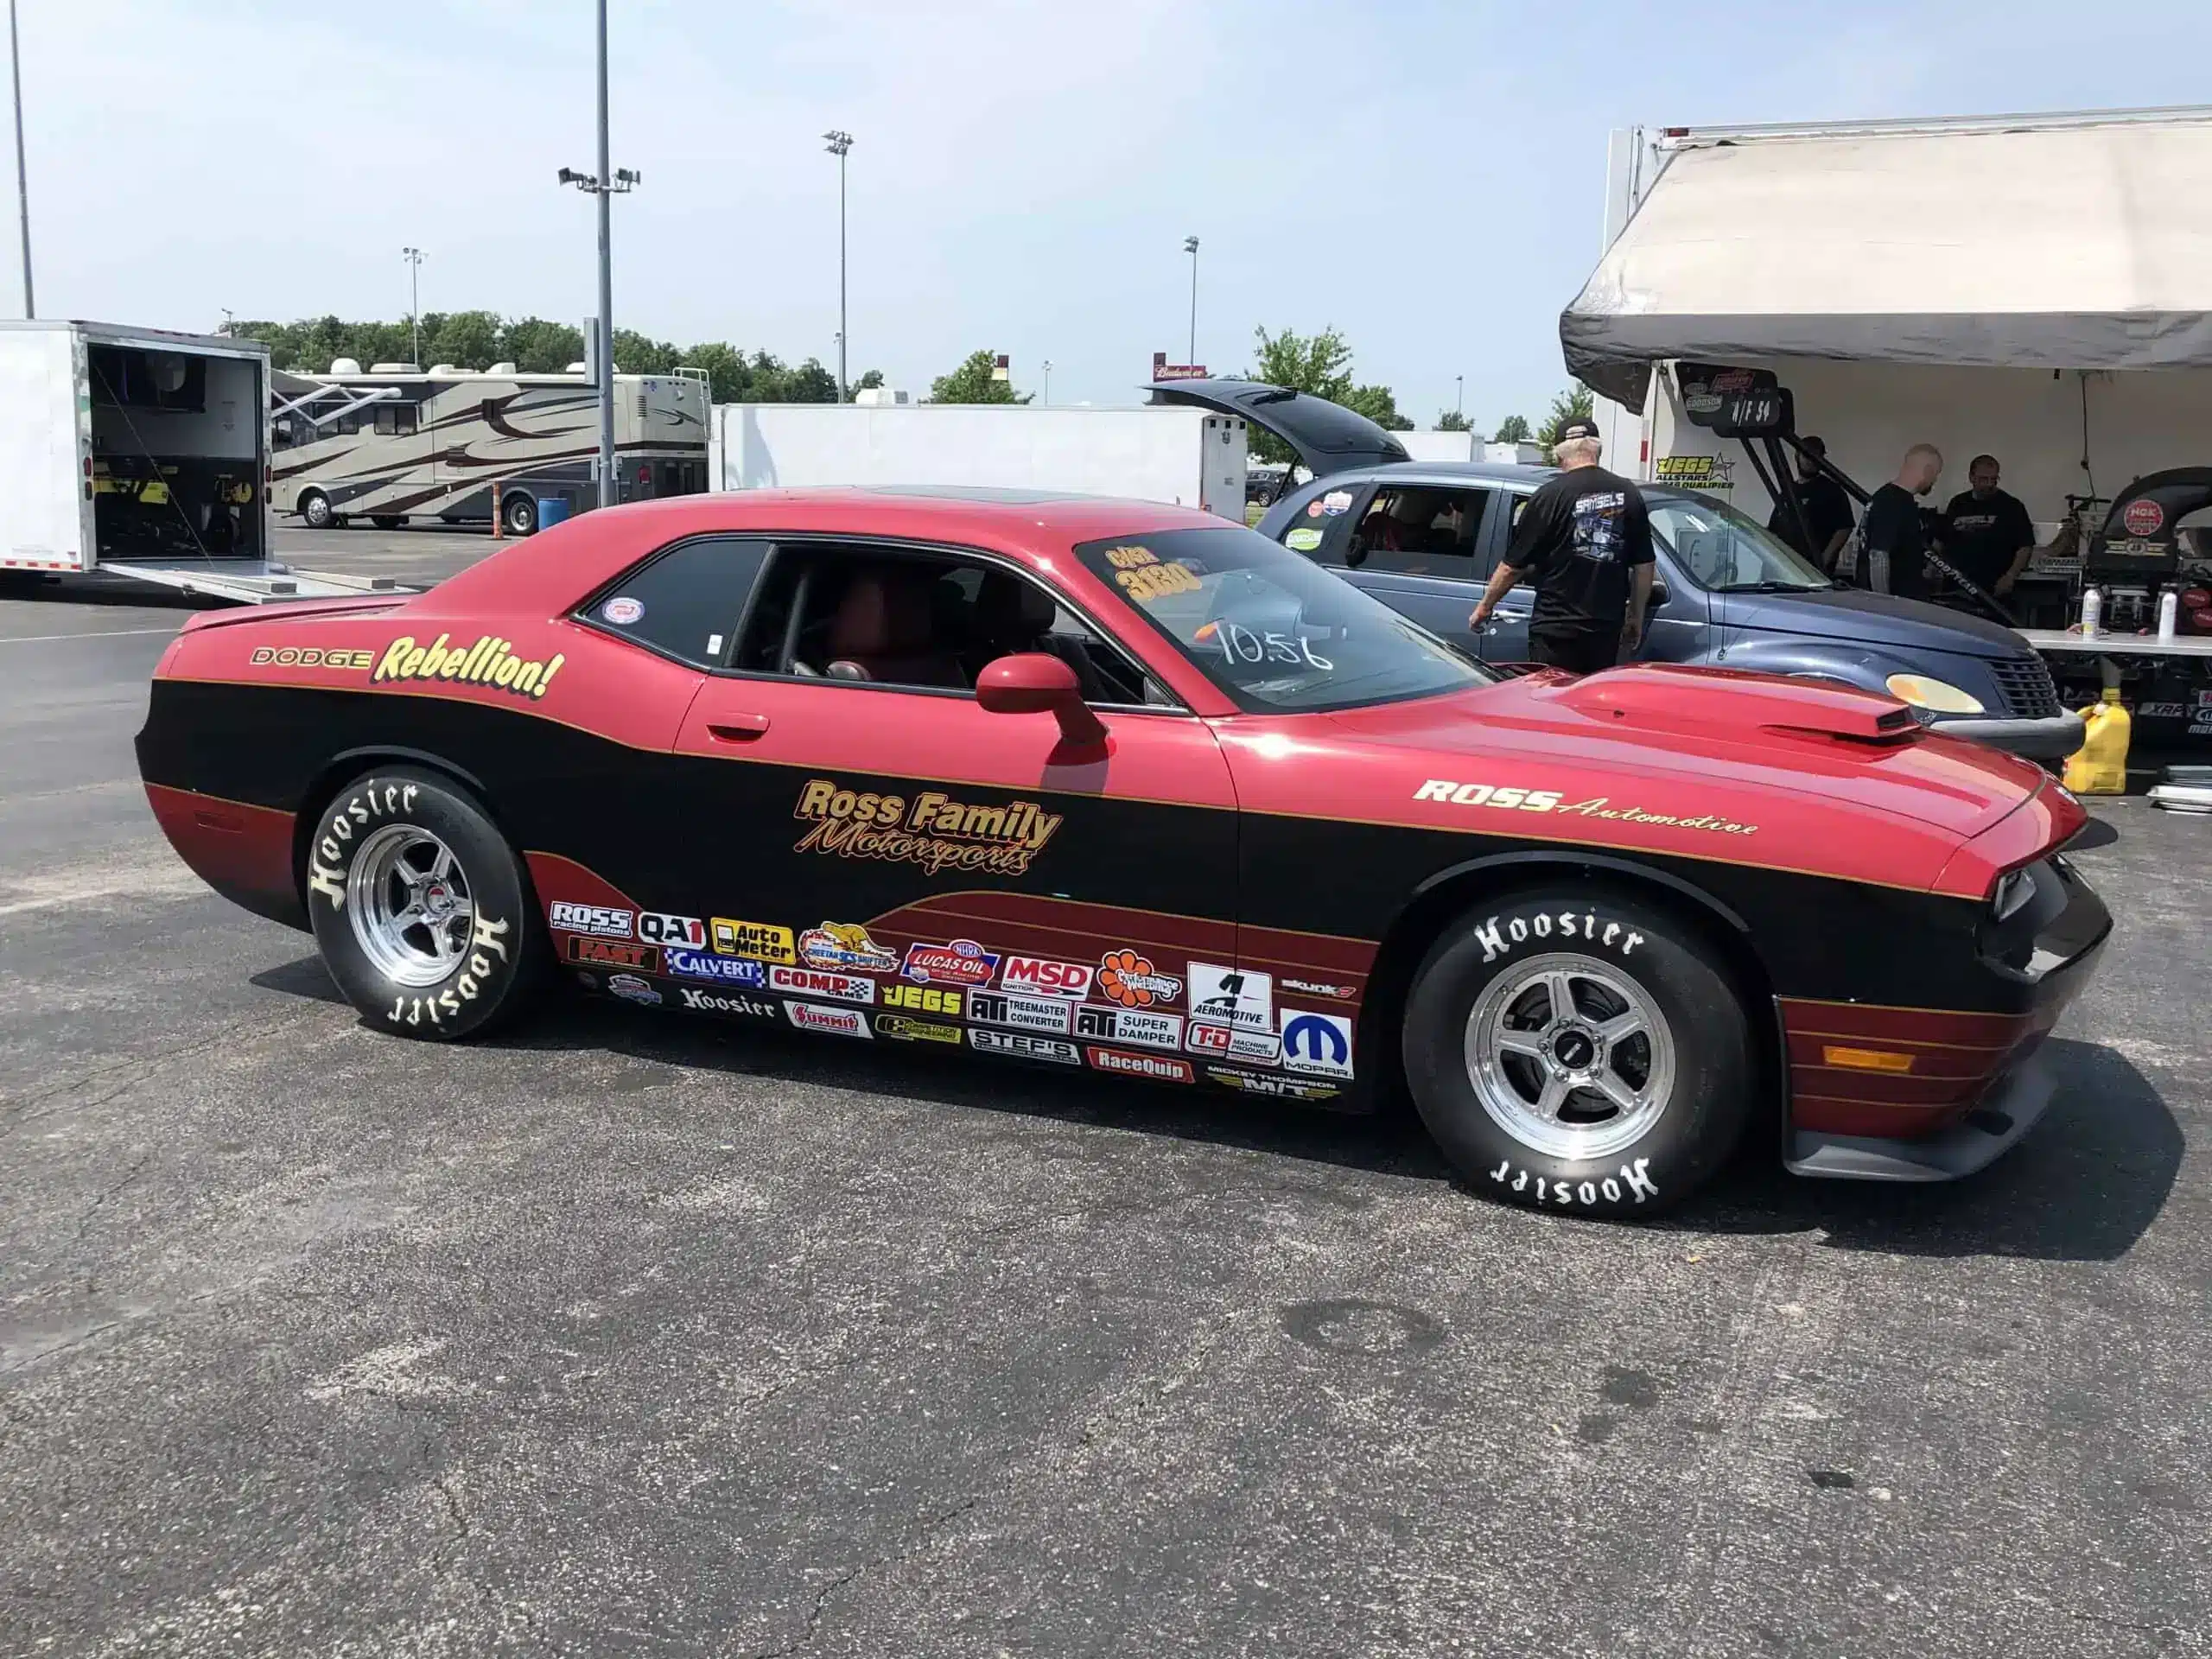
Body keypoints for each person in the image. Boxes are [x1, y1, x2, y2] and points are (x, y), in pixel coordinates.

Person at [1469, 418, 1653, 673]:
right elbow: (1644, 566)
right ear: (1598, 449)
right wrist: (1635, 616)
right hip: (1605, 630)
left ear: (1559, 455)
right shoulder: (1628, 493)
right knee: (1593, 696)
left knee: (1553, 695)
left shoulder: (1548, 496)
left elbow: (1513, 566)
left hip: (1555, 629)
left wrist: (1485, 607)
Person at [1939, 454, 2037, 598]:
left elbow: (2025, 546)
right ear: (1971, 477)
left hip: (1995, 588)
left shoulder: (2012, 506)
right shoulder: (1957, 503)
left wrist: (2010, 576)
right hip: (1957, 585)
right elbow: (1942, 539)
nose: (1990, 484)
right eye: (1984, 479)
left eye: (1994, 479)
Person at [1858, 443, 1942, 600]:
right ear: (1928, 471)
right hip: (1897, 602)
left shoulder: (1888, 498)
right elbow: (1878, 555)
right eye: (1936, 474)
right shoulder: (1893, 502)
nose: (1935, 480)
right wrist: (1884, 603)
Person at [1765, 435, 1856, 572]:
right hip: (1784, 568)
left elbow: (1845, 527)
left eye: (1816, 456)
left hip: (1812, 570)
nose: (1811, 461)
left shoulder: (1831, 490)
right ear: (1797, 455)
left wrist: (1823, 561)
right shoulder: (1788, 490)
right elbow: (1773, 528)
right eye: (1807, 455)